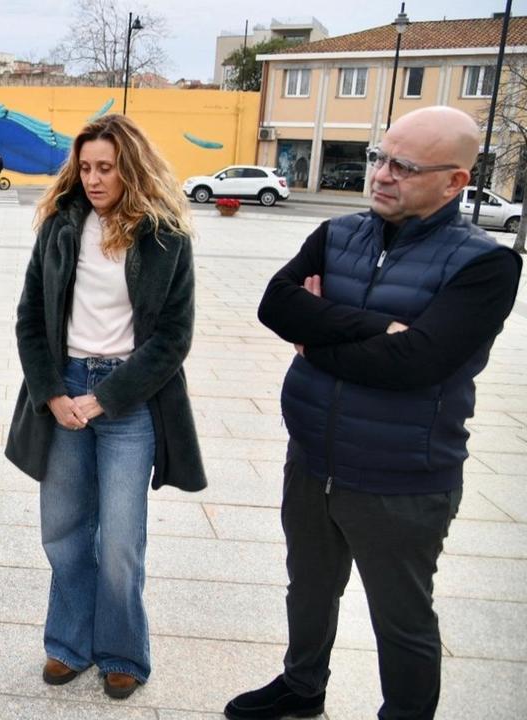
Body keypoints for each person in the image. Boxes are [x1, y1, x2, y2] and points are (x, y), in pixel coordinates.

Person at [226, 106, 522, 720]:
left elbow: (416, 362)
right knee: (308, 588)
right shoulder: (336, 235)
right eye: (379, 159)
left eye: (403, 166)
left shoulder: (485, 265)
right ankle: (302, 688)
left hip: (402, 477)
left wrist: (318, 339)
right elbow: (276, 306)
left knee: (403, 618)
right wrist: (376, 329)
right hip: (312, 459)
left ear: (454, 182)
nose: (382, 176)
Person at [4, 114, 206, 699]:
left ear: (131, 169)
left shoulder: (166, 237)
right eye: (85, 167)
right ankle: (69, 643)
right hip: (64, 386)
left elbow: (173, 337)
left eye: (106, 168)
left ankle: (121, 650)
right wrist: (53, 393)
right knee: (63, 530)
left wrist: (105, 398)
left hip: (129, 397)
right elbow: (30, 320)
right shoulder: (61, 227)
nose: (93, 179)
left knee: (120, 537)